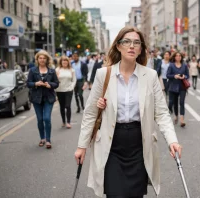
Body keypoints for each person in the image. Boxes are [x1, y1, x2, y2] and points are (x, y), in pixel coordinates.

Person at [74, 26, 182, 198]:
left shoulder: (150, 76)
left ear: (141, 49)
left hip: (139, 145)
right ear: (118, 46)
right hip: (112, 145)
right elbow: (90, 113)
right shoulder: (104, 74)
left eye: (136, 42)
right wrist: (81, 146)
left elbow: (161, 113)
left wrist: (172, 141)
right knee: (115, 194)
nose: (131, 46)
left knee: (135, 195)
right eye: (127, 41)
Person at [26, 50, 59, 149]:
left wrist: (50, 85)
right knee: (40, 119)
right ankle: (42, 138)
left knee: (47, 118)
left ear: (47, 59)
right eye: (40, 58)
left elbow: (56, 83)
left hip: (49, 98)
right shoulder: (32, 70)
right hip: (37, 98)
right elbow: (28, 83)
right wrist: (36, 84)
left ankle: (48, 140)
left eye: (44, 58)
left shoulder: (52, 71)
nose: (42, 60)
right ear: (37, 59)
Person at [167, 52, 189, 127]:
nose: (178, 57)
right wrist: (174, 76)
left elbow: (187, 75)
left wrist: (184, 77)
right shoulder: (171, 65)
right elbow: (168, 75)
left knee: (182, 102)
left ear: (181, 57)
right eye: (177, 56)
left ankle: (182, 119)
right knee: (174, 102)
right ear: (174, 57)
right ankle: (176, 115)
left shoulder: (184, 65)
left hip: (182, 86)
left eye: (179, 56)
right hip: (173, 86)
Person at [55, 56, 76, 129]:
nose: (64, 62)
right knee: (62, 106)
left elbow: (74, 80)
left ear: (68, 62)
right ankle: (63, 121)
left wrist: (72, 87)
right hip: (59, 90)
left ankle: (68, 122)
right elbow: (55, 80)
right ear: (60, 62)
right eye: (63, 61)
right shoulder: (57, 70)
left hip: (68, 90)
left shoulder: (71, 70)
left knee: (68, 106)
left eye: (66, 60)